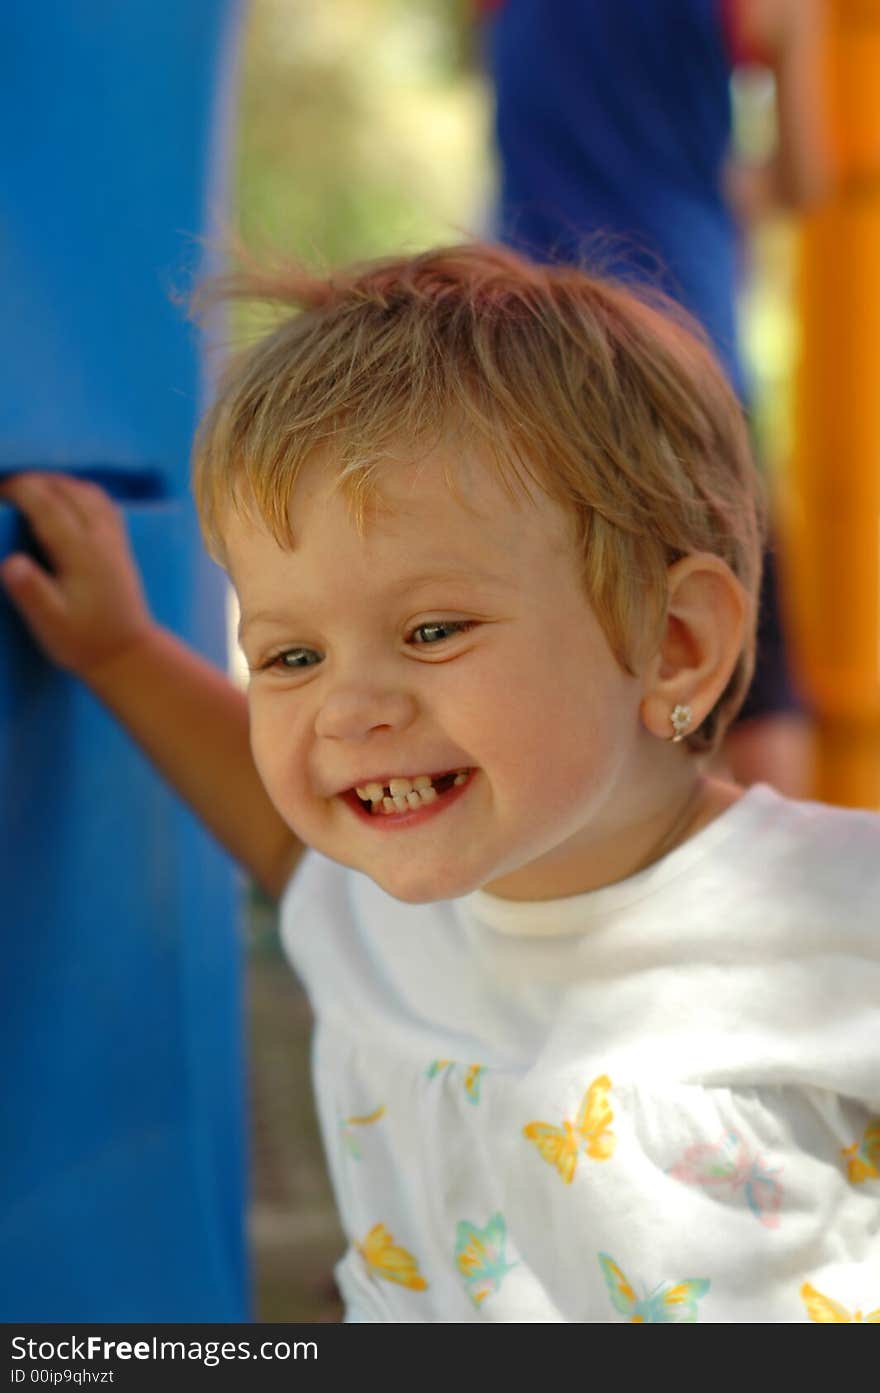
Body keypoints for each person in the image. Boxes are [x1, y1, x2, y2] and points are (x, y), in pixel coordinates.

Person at [1, 243, 878, 1323]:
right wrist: (122, 654)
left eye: (430, 630)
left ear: (673, 641)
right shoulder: (379, 917)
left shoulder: (839, 919)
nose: (347, 710)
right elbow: (279, 839)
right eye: (290, 656)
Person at [481, 0, 833, 796]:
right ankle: (779, 907)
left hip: (533, 344)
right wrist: (716, 191)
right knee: (751, 663)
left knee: (566, 632)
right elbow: (807, 178)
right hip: (684, 329)